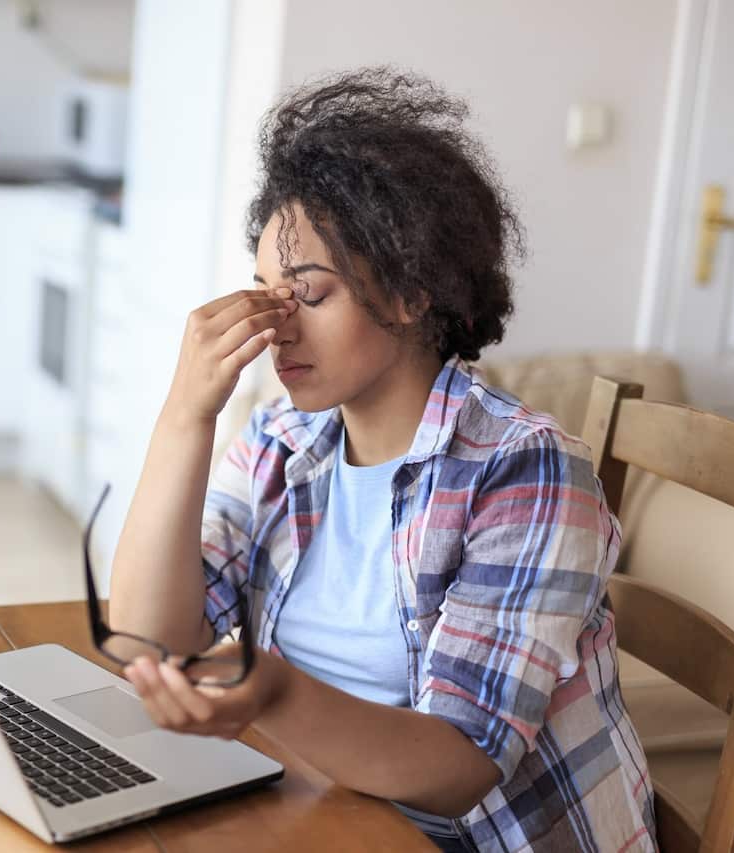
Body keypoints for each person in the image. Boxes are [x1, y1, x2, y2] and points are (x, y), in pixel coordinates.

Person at [106, 67, 655, 852]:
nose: (275, 327)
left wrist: (274, 692)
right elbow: (146, 641)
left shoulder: (527, 471)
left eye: (309, 295)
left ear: (410, 292)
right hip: (320, 815)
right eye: (264, 292)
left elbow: (462, 764)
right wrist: (184, 417)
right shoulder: (281, 440)